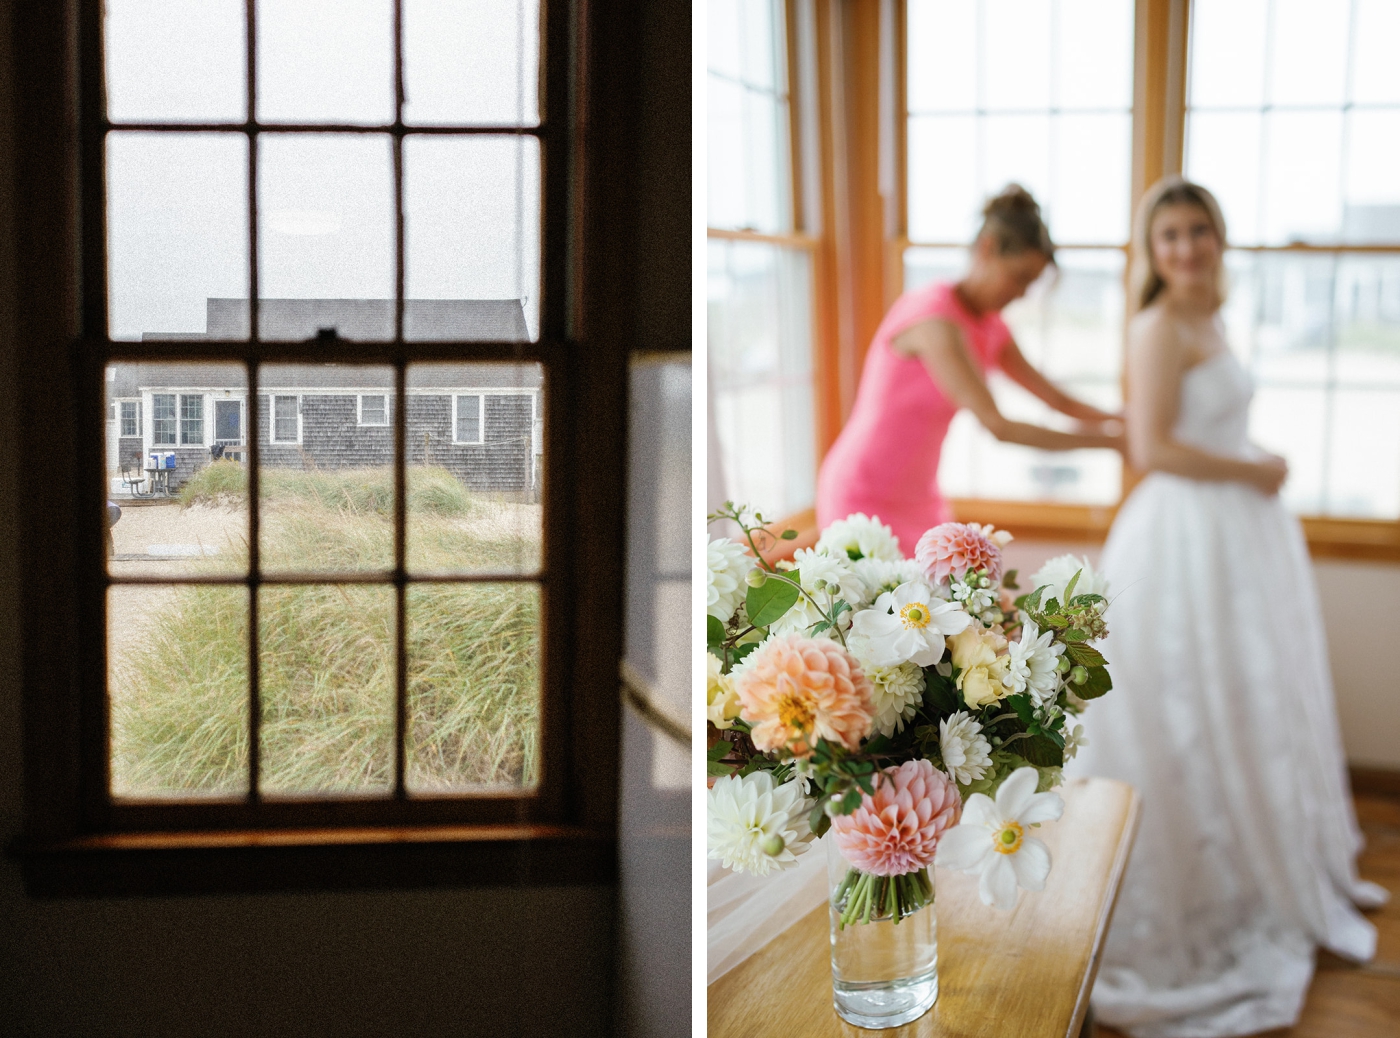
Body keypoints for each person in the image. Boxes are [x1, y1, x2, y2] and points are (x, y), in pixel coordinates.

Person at [1071, 176, 1387, 1037]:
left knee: (1246, 700)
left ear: (1217, 238)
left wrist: (1251, 463)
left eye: (1197, 231)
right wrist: (1254, 469)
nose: (1184, 249)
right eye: (1167, 236)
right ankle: (1181, 894)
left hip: (1238, 536)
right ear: (1152, 250)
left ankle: (1262, 862)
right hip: (1184, 534)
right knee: (1180, 702)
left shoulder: (1212, 316)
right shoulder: (1154, 325)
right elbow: (1153, 446)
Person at [815, 184, 1121, 553]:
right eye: (1019, 276)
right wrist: (1111, 443)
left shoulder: (992, 327)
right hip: (862, 495)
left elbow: (1057, 400)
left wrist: (1124, 420)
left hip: (922, 501)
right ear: (988, 249)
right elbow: (998, 425)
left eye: (1031, 283)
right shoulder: (934, 319)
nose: (1023, 293)